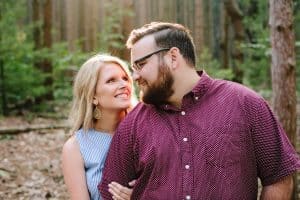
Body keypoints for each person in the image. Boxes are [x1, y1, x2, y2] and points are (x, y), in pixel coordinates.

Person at [99, 22, 300, 199]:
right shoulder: (133, 124)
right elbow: (111, 192)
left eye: (141, 65)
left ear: (173, 57)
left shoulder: (245, 103)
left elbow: (279, 177)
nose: (134, 76)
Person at [61, 54, 136, 200]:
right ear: (93, 96)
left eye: (125, 78)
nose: (123, 84)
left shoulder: (144, 132)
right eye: (111, 81)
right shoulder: (75, 147)